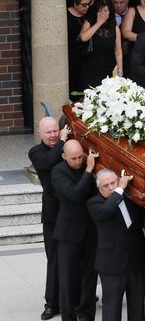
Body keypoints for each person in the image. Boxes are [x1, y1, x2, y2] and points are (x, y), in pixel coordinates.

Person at [87, 169, 145, 321]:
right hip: (112, 265)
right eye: (105, 186)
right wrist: (120, 189)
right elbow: (107, 211)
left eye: (113, 183)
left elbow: (143, 221)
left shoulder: (130, 198)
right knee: (112, 307)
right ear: (99, 189)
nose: (111, 188)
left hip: (135, 262)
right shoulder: (94, 203)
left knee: (137, 307)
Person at [51, 140, 99, 321]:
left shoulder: (88, 165)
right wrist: (88, 171)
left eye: (80, 157)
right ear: (64, 156)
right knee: (67, 279)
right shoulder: (58, 172)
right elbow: (74, 194)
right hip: (68, 233)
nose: (78, 161)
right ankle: (69, 317)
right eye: (74, 158)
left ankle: (87, 315)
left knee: (89, 277)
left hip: (90, 231)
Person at [28, 117, 70, 320]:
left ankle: (74, 298)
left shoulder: (68, 147)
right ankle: (51, 304)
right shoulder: (36, 152)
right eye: (49, 132)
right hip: (53, 214)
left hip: (73, 212)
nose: (53, 135)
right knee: (53, 258)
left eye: (56, 131)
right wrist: (62, 142)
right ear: (40, 134)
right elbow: (47, 162)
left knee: (76, 258)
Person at [79, 0, 123, 88]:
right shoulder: (89, 23)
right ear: (95, 12)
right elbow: (83, 38)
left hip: (108, 68)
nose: (103, 14)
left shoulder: (115, 28)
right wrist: (99, 23)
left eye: (106, 11)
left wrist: (120, 69)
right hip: (91, 68)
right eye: (100, 11)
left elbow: (118, 52)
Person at [67, 0, 92, 98]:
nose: (87, 7)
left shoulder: (88, 16)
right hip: (70, 56)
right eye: (84, 5)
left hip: (86, 57)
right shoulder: (65, 16)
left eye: (88, 4)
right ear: (75, 4)